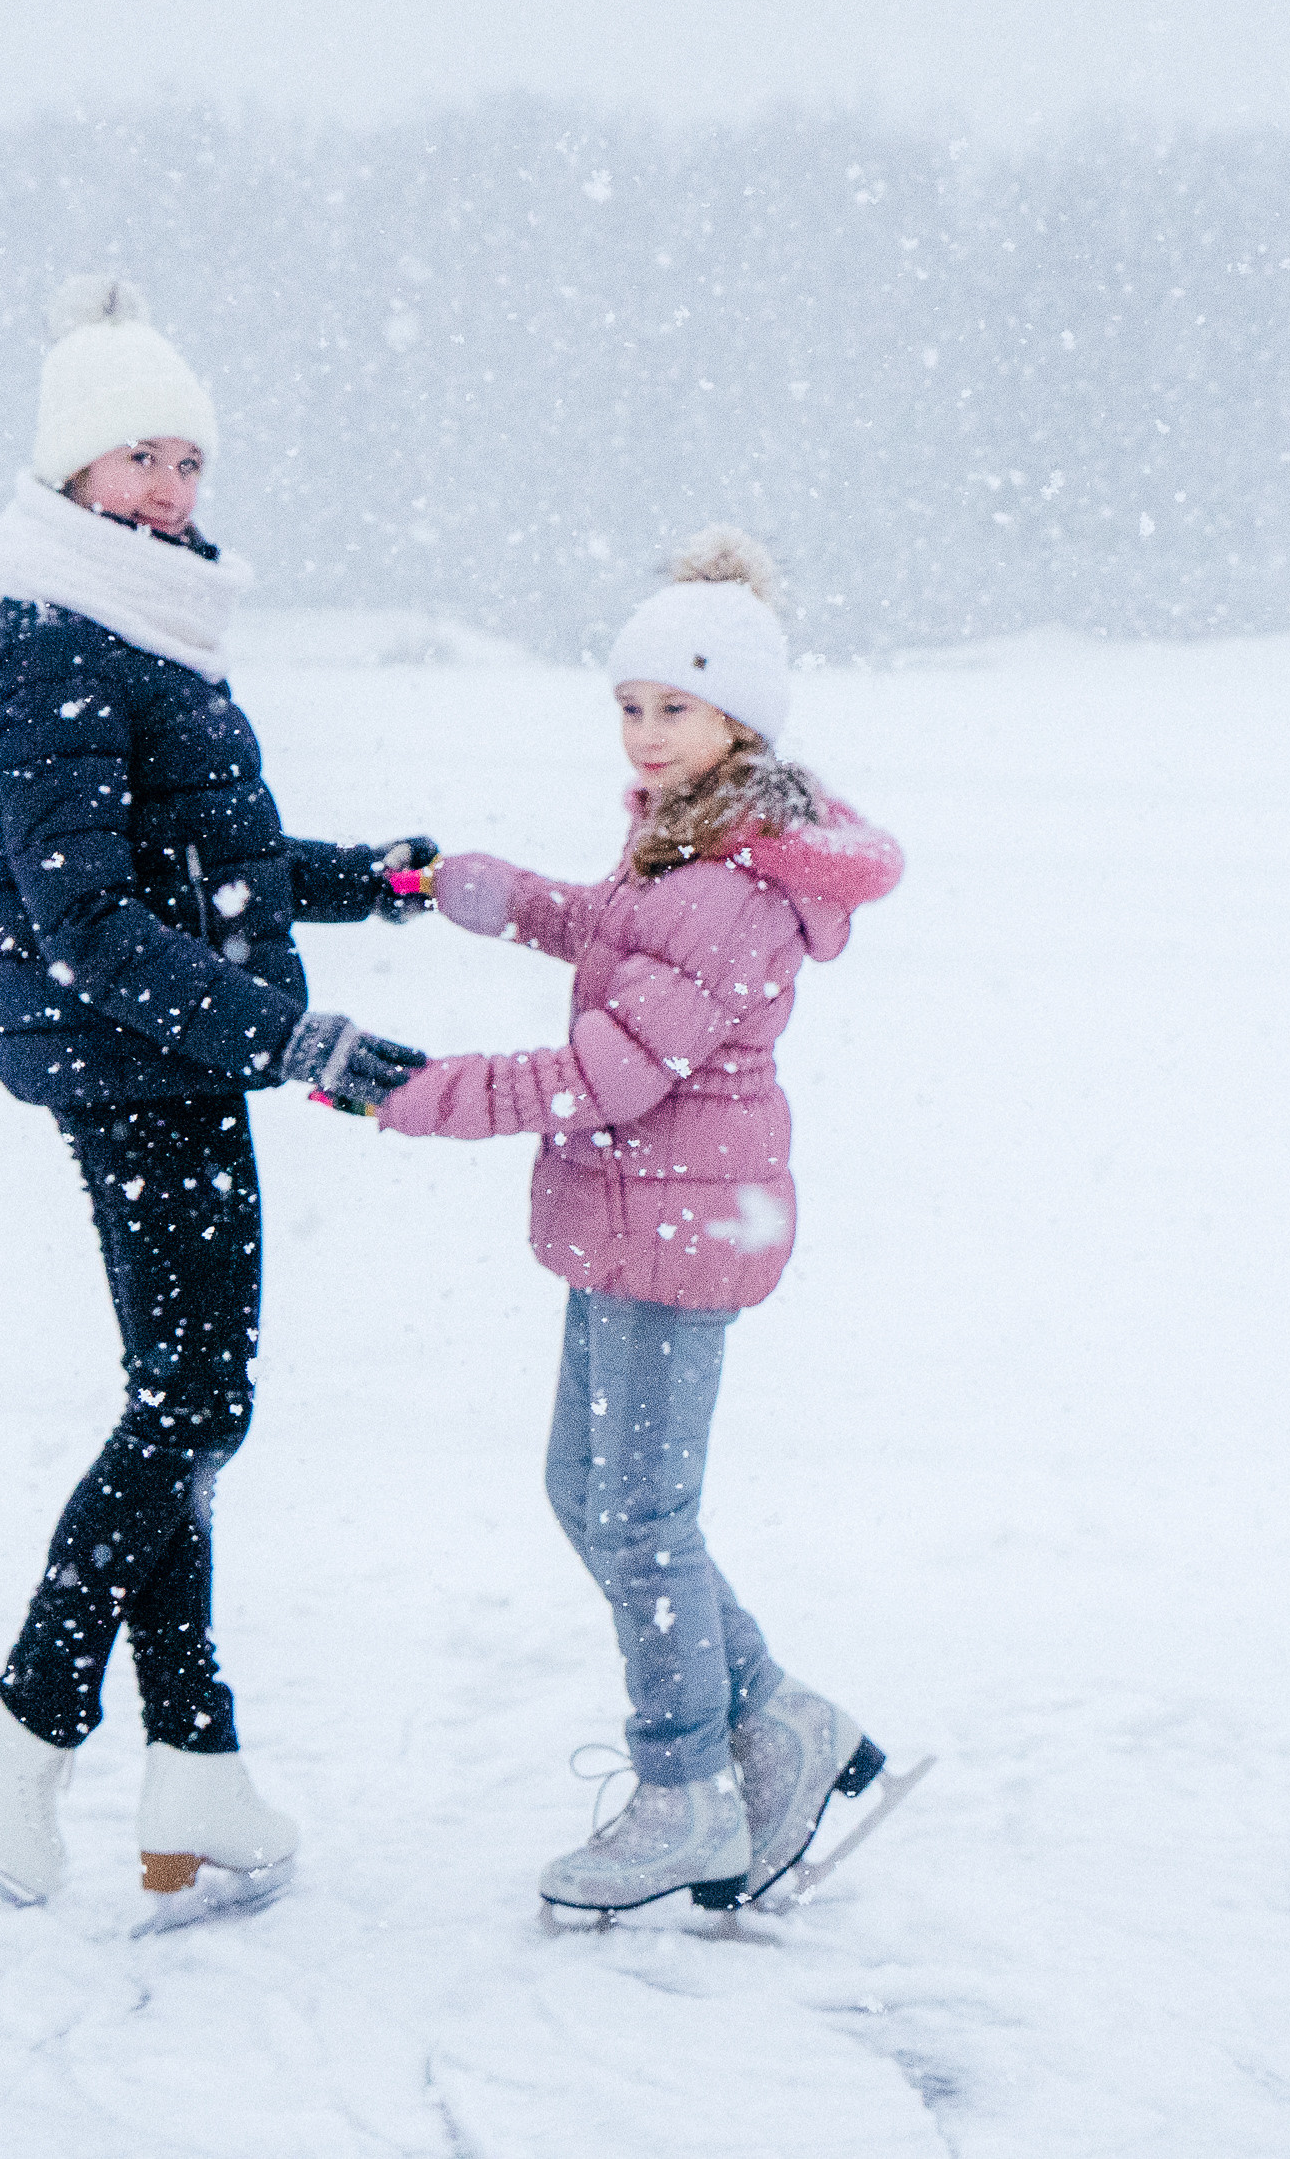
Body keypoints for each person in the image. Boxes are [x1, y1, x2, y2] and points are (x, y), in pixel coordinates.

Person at [0, 276, 433, 1917]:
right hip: (138, 1061)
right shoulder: (62, 634)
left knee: (179, 1401)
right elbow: (90, 921)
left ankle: (195, 1765)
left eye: (190, 462)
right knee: (196, 1408)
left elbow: (205, 863)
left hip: (168, 1052)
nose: (169, 489)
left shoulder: (139, 626)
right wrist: (291, 1040)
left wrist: (366, 881)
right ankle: (21, 1719)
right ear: (70, 468)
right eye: (139, 458)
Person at [374, 527, 904, 1916]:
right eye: (630, 704)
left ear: (742, 722)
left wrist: (406, 1090)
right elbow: (611, 935)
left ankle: (684, 1796)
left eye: (676, 706)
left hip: (682, 1227)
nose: (647, 732)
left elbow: (606, 1075)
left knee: (644, 1515)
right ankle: (777, 1719)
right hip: (635, 1213)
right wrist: (485, 893)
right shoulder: (682, 841)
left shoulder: (733, 888)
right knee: (588, 1495)